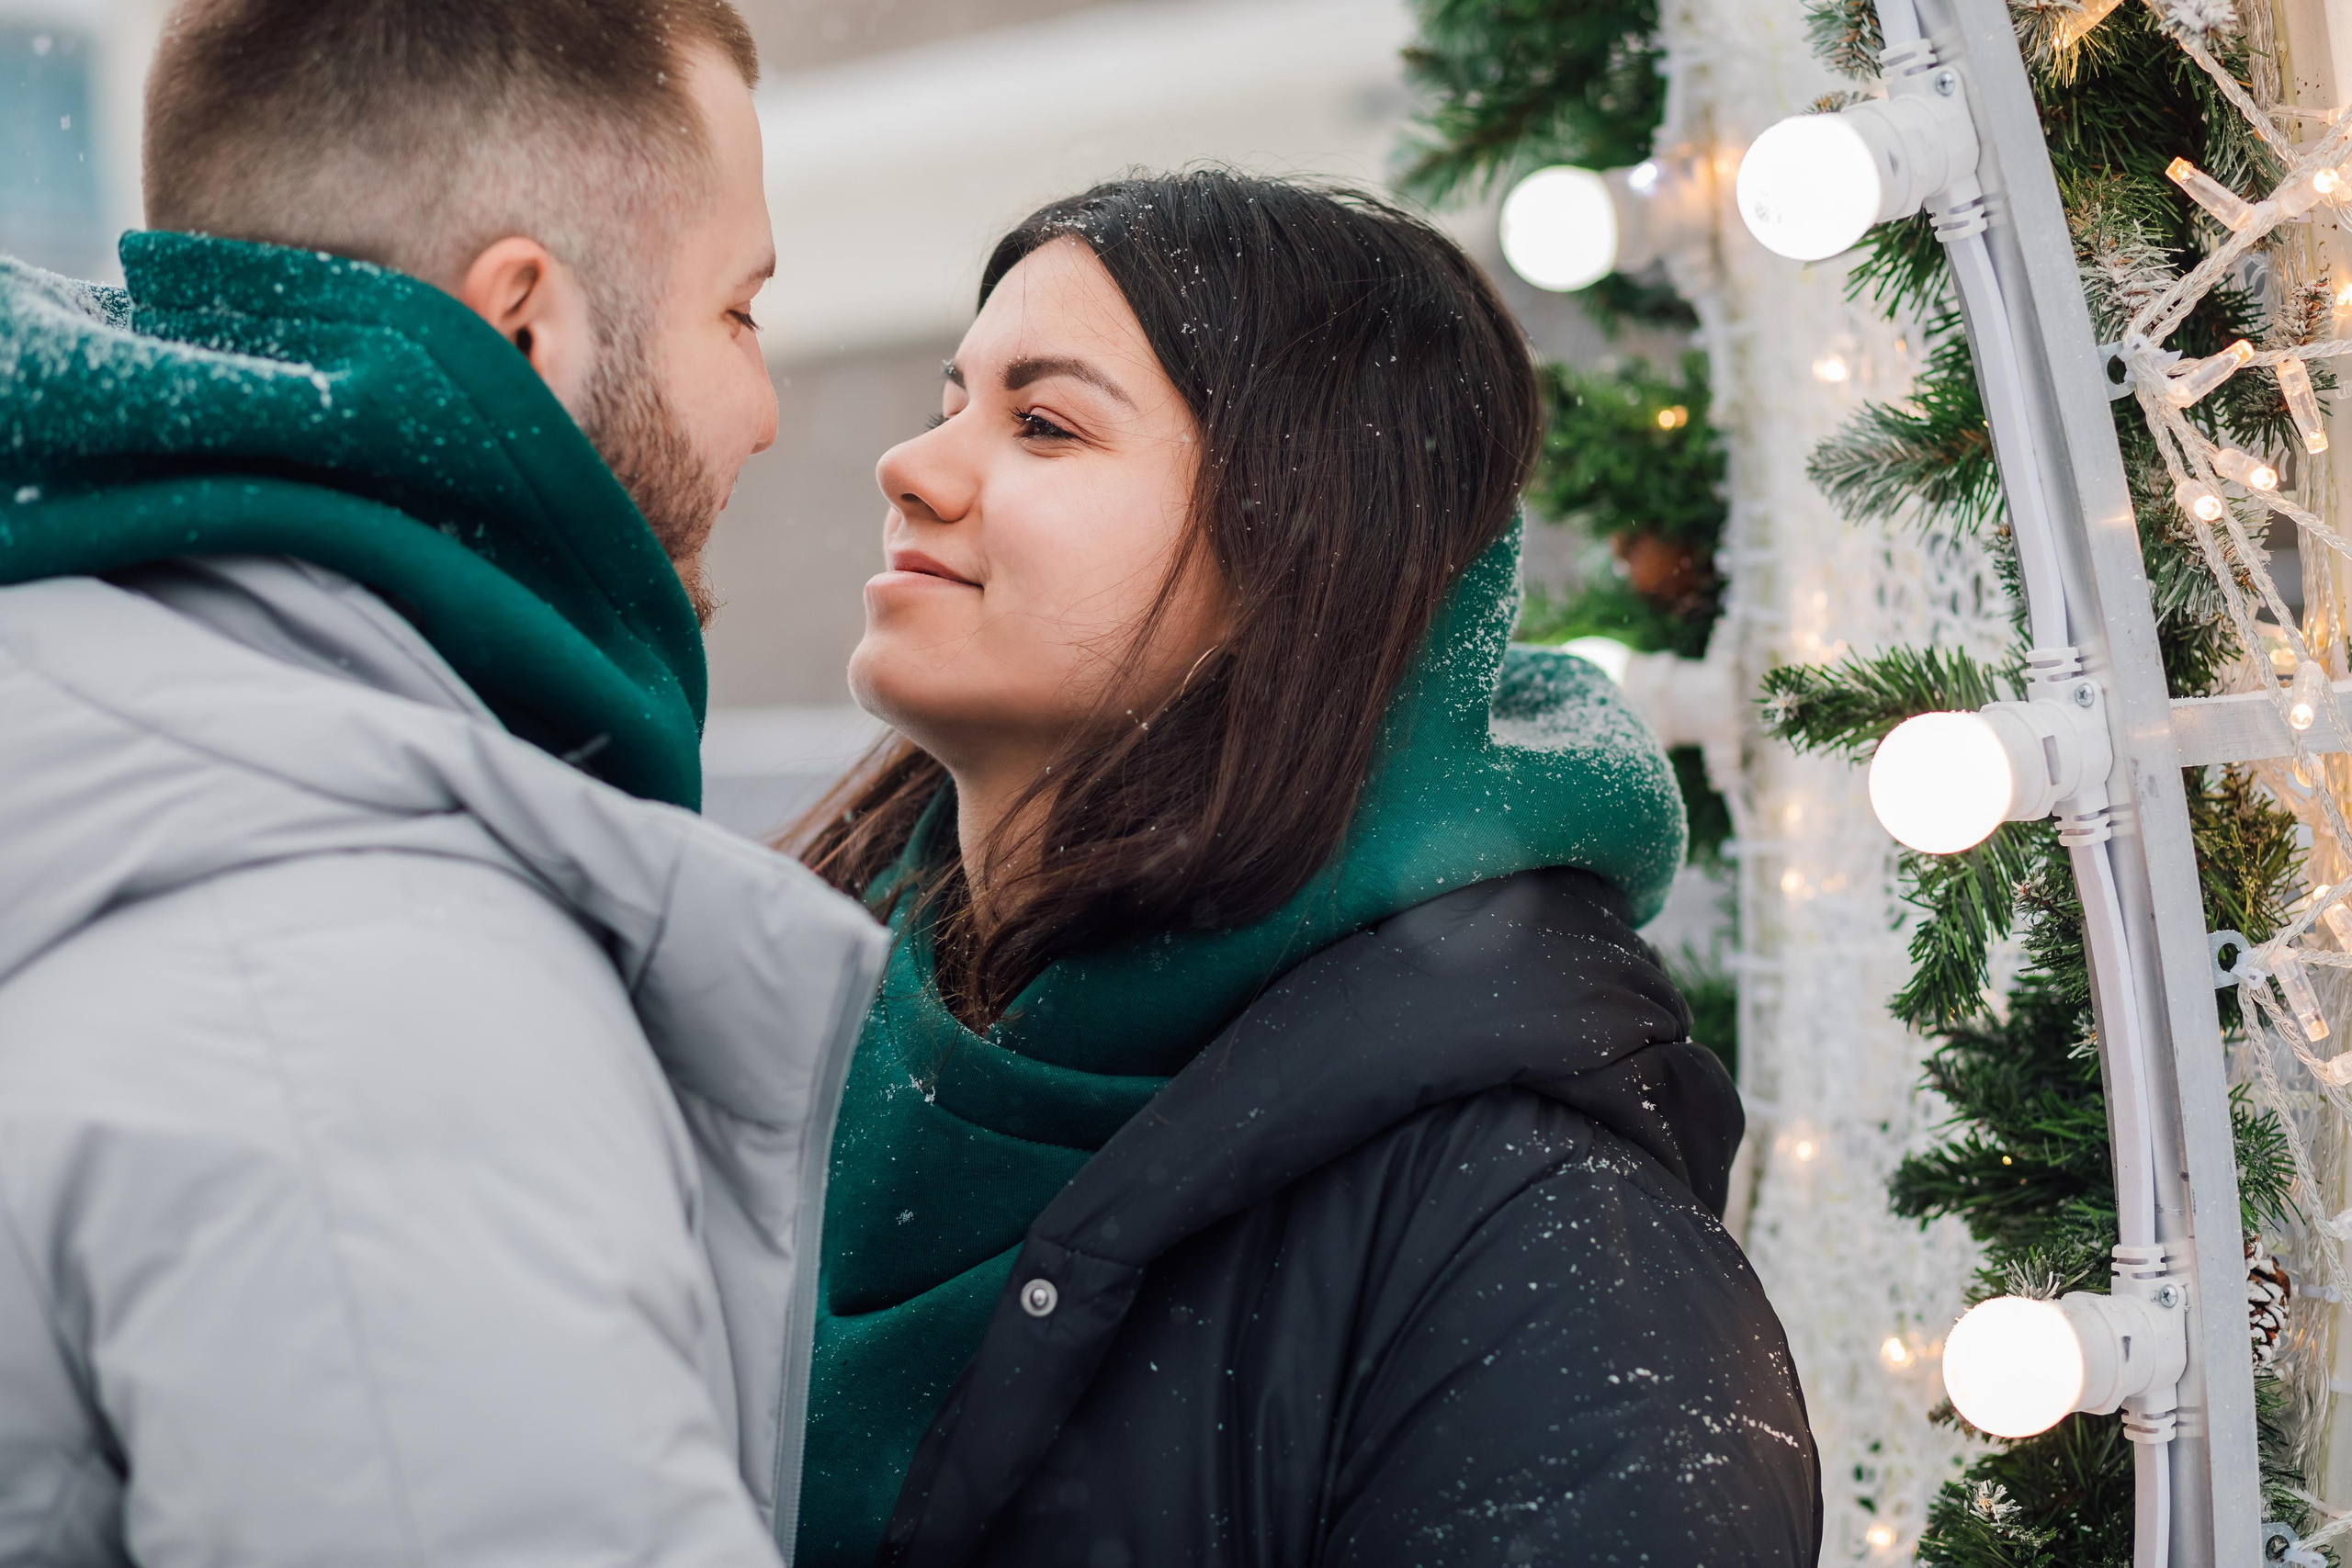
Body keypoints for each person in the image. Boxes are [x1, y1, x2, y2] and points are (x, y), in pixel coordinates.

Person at [787, 171, 1822, 1568]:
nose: (912, 466)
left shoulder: (1542, 1254)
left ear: (1308, 551)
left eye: (1043, 423)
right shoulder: (774, 1040)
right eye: (949, 402)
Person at [0, 3, 886, 1562]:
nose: (761, 407)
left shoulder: (113, 706)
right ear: (526, 330)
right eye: (741, 314)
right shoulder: (366, 996)